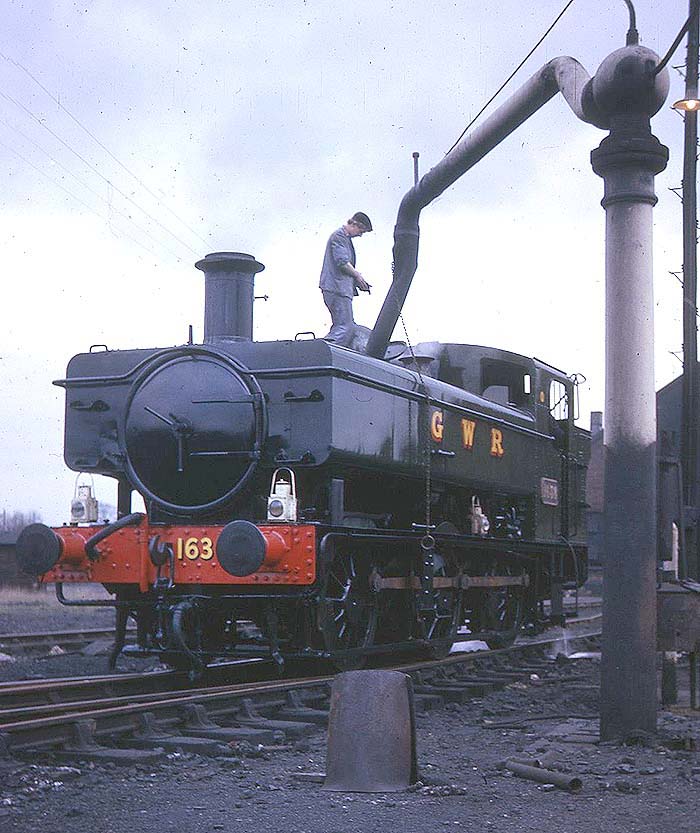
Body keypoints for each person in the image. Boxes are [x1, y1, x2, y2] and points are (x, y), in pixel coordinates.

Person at [319, 211, 373, 347]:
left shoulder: (344, 239)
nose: (360, 234)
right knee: (345, 327)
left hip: (338, 288)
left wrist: (358, 282)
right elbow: (342, 262)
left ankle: (328, 348)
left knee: (342, 326)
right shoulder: (339, 236)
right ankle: (326, 352)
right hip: (337, 288)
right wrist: (358, 276)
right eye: (361, 230)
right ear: (354, 224)